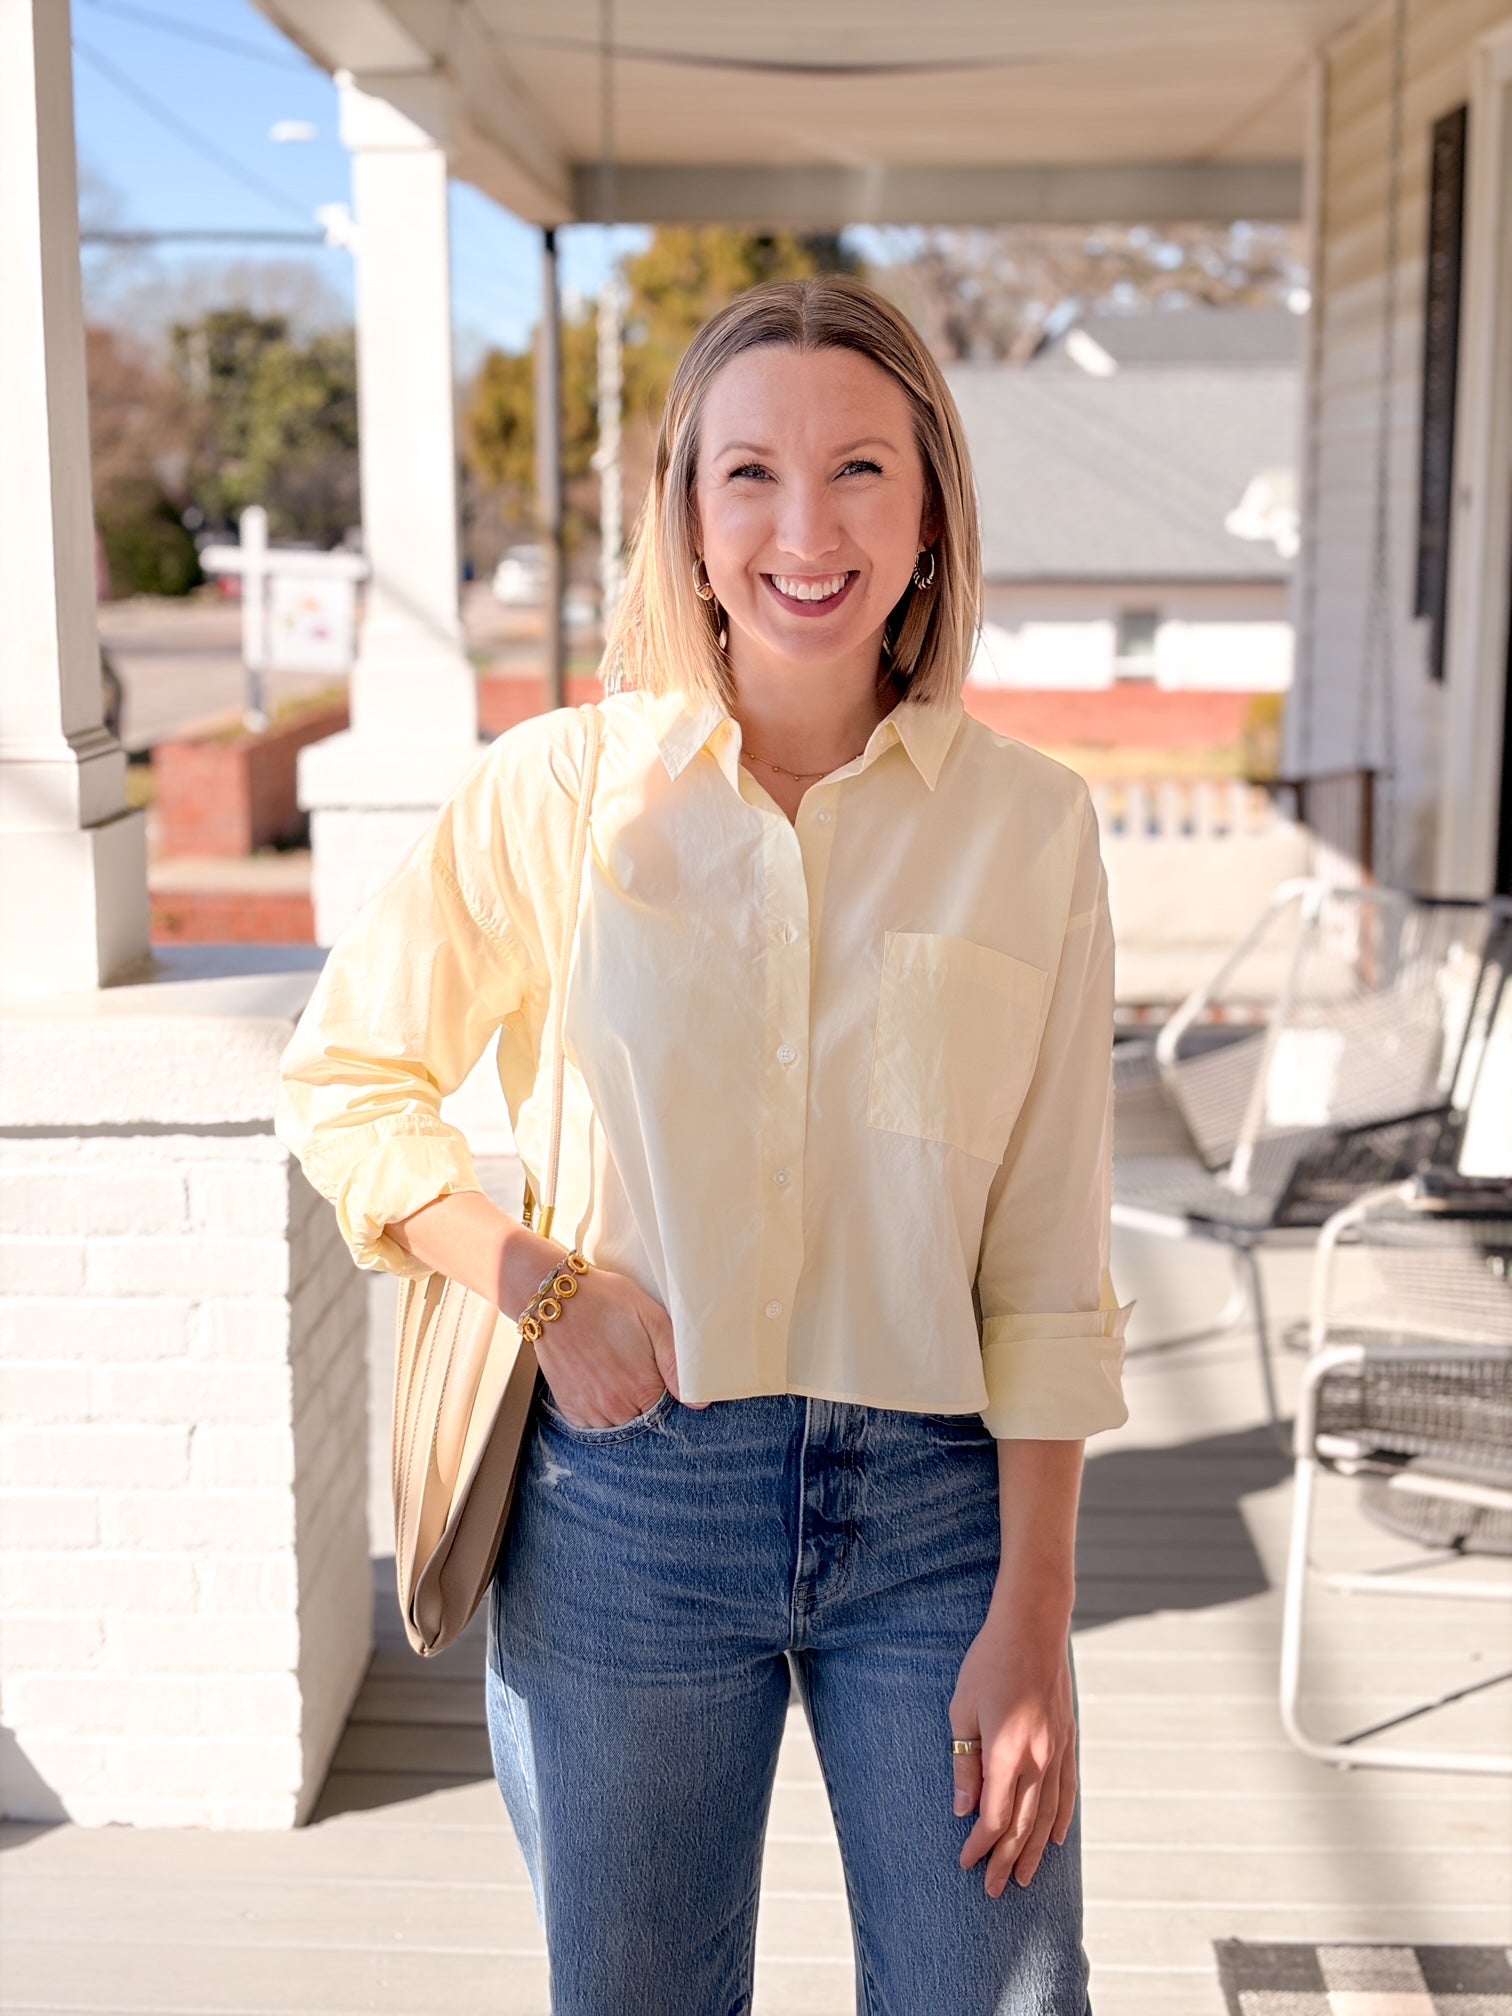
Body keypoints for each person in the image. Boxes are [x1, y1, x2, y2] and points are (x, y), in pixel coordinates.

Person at [275, 273, 1130, 2016]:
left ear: (932, 510)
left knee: (1004, 1996)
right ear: (684, 510)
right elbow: (348, 1078)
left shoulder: (1033, 829)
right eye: (748, 474)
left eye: (860, 471)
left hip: (942, 1516)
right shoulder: (558, 798)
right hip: (629, 1516)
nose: (802, 529)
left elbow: (1048, 1257)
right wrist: (537, 1287)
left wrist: (1036, 1615)